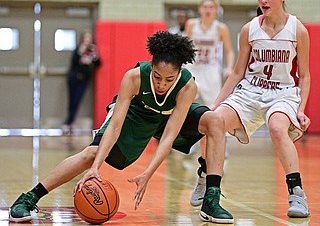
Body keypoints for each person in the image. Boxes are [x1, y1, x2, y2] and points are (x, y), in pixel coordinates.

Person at [9, 31, 234, 224]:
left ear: (178, 74)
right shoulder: (134, 77)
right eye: (157, 77)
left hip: (166, 117)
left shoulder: (187, 86)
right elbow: (115, 125)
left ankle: (211, 197)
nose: (162, 84)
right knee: (92, 153)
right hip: (135, 116)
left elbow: (169, 136)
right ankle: (29, 198)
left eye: (168, 79)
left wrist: (148, 173)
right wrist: (96, 168)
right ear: (151, 65)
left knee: (214, 120)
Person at [202, 0, 311, 220]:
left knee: (276, 126)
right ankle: (208, 187)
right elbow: (238, 71)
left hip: (282, 93)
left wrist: (301, 109)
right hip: (251, 91)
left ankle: (296, 192)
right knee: (214, 122)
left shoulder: (298, 29)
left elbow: (304, 76)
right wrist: (216, 105)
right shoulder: (249, 28)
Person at [185, 0, 235, 206]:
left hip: (211, 72)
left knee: (214, 113)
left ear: (216, 10)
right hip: (194, 70)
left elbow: (230, 51)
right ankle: (194, 144)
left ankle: (219, 147)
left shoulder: (220, 27)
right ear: (200, 8)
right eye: (204, 6)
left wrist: (229, 67)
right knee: (189, 110)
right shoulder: (191, 25)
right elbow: (186, 47)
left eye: (211, 7)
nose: (207, 9)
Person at [63, 30, 101, 134]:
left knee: (77, 100)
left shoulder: (92, 50)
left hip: (84, 79)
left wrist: (95, 54)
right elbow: (74, 62)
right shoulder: (79, 49)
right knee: (72, 100)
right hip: (74, 77)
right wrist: (81, 51)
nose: (87, 41)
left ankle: (69, 122)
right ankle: (69, 123)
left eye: (89, 38)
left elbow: (98, 63)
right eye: (85, 38)